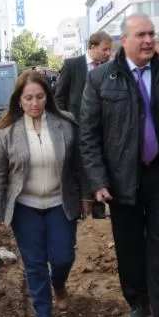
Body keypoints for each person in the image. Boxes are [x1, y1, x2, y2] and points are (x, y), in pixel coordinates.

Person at [80, 13, 159, 317]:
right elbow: (89, 135)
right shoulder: (102, 79)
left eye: (151, 34)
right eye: (140, 35)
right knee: (130, 244)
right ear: (124, 41)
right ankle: (137, 299)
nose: (148, 40)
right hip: (121, 178)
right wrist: (98, 181)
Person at [0, 70, 83, 317]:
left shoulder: (65, 124)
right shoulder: (5, 132)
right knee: (34, 263)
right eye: (28, 98)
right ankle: (43, 316)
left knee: (63, 256)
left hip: (59, 202)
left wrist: (86, 196)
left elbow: (79, 164)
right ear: (19, 100)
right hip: (25, 206)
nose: (34, 103)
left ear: (47, 97)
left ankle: (60, 285)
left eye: (40, 97)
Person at [54, 30, 113, 219]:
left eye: (109, 50)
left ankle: (99, 207)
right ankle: (81, 205)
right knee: (79, 165)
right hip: (76, 125)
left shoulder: (108, 68)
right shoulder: (73, 65)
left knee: (98, 162)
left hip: (101, 127)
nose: (108, 53)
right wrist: (63, 121)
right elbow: (60, 96)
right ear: (93, 47)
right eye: (105, 49)